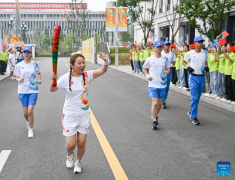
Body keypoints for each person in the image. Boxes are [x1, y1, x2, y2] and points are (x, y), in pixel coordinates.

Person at [50, 52, 109, 174]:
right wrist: (53, 80)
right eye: (79, 63)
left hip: (84, 115)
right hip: (69, 115)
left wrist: (106, 61)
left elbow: (103, 70)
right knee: (71, 144)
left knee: (81, 142)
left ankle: (78, 161)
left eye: (83, 62)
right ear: (72, 65)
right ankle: (70, 154)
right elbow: (52, 89)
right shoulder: (65, 78)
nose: (82, 65)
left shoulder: (87, 75)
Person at [142, 41, 171, 130]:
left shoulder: (165, 59)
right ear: (154, 48)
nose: (159, 48)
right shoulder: (150, 59)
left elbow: (168, 68)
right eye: (157, 47)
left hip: (162, 84)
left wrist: (167, 72)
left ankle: (155, 115)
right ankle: (154, 120)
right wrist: (147, 75)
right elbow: (144, 68)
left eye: (160, 47)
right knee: (154, 103)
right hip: (153, 84)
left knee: (159, 104)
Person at [14, 46, 42, 138]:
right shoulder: (19, 65)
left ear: (31, 54)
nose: (26, 54)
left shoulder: (35, 64)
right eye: (25, 52)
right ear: (22, 53)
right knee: (25, 113)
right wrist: (19, 80)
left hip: (33, 89)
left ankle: (30, 129)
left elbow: (38, 73)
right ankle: (28, 122)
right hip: (22, 90)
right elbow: (16, 77)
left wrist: (39, 79)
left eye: (28, 52)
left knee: (30, 111)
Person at [183, 36, 209, 125]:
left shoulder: (205, 52)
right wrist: (188, 67)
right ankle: (193, 116)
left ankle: (191, 111)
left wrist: (207, 66)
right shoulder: (190, 53)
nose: (200, 43)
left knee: (197, 97)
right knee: (194, 97)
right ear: (195, 43)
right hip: (193, 77)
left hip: (202, 77)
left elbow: (206, 62)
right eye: (199, 42)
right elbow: (184, 61)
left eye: (201, 42)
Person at [161, 41, 176, 109]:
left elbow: (174, 62)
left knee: (167, 86)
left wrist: (169, 67)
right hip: (161, 71)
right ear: (164, 46)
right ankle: (161, 99)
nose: (167, 46)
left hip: (169, 71)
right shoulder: (161, 53)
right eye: (166, 45)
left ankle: (164, 100)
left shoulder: (172, 54)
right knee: (161, 86)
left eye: (168, 45)